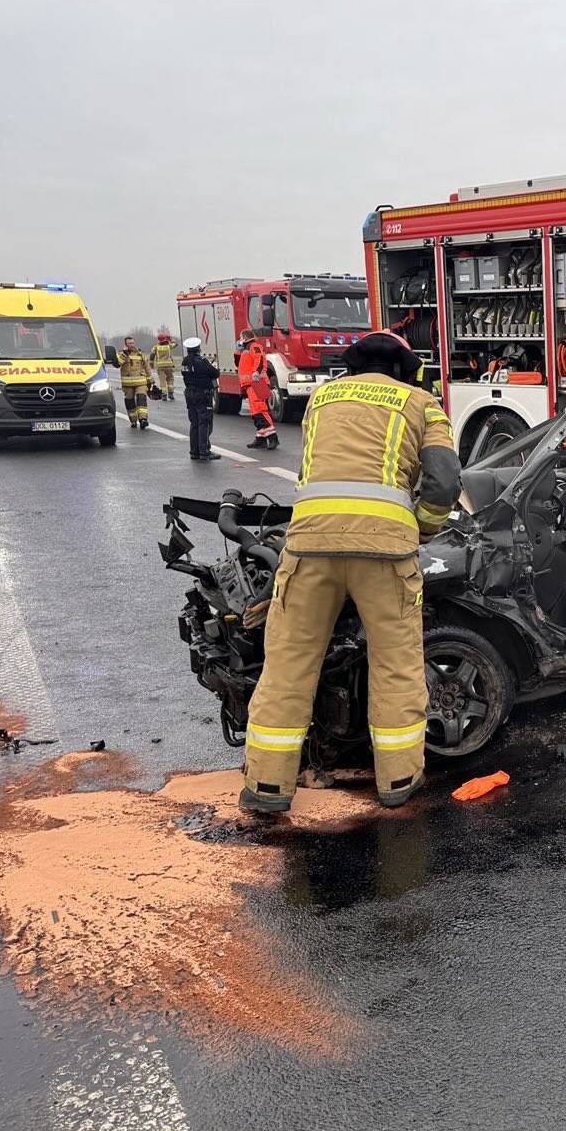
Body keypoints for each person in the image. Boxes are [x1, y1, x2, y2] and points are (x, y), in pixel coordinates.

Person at [240, 329, 458, 813]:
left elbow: (315, 468)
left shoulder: (321, 397)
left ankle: (268, 786)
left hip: (309, 547)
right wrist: (420, 529)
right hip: (385, 556)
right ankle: (398, 780)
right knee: (396, 664)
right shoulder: (420, 403)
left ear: (352, 367)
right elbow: (444, 480)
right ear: (407, 370)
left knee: (289, 664)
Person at [180, 337, 221, 462]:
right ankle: (204, 452)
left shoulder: (184, 362)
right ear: (198, 348)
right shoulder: (201, 361)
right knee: (205, 423)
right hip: (202, 394)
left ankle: (194, 451)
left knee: (194, 423)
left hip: (189, 393)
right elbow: (215, 373)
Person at [235, 330, 277, 450]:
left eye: (241, 338)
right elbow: (238, 363)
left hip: (257, 383)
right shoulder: (245, 350)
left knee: (260, 409)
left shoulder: (255, 346)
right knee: (255, 412)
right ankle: (260, 438)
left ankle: (272, 437)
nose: (240, 340)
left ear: (245, 338)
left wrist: (256, 373)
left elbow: (259, 360)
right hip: (250, 384)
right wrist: (238, 351)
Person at [118, 336, 152, 429]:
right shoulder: (121, 354)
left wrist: (151, 381)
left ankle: (143, 419)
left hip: (140, 382)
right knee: (130, 402)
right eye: (129, 343)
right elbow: (117, 364)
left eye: (133, 343)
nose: (132, 345)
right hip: (127, 384)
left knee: (141, 399)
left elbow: (147, 367)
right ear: (125, 344)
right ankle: (133, 420)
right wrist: (124, 354)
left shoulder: (140, 354)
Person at [151, 331, 177, 401]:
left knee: (162, 380)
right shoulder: (169, 346)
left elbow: (152, 355)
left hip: (160, 366)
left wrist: (151, 364)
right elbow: (176, 344)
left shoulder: (156, 347)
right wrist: (170, 339)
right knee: (170, 378)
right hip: (169, 365)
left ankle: (164, 394)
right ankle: (171, 393)